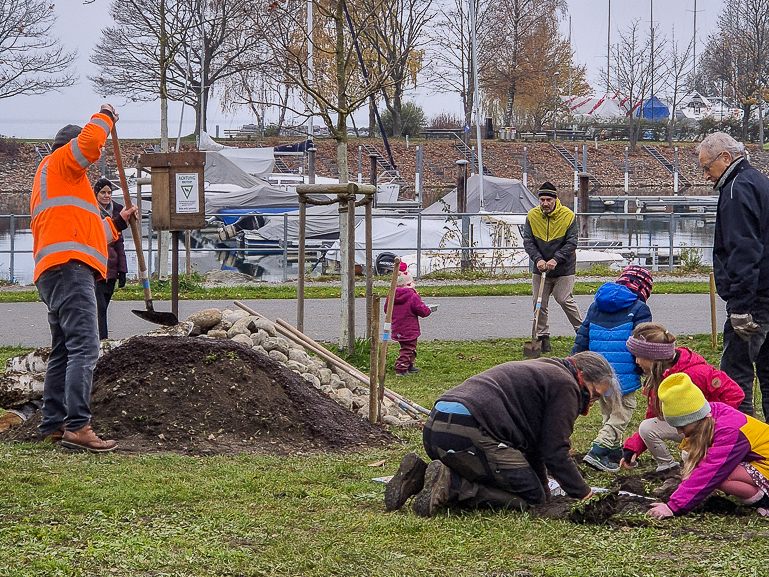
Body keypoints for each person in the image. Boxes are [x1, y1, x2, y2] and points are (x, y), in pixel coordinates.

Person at [384, 352, 619, 517]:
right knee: (531, 499)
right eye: (595, 395)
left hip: (436, 427)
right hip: (467, 432)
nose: (592, 402)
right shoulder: (566, 386)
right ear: (585, 377)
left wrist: (543, 487)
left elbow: (535, 447)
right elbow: (554, 451)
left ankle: (419, 475)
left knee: (535, 490)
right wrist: (584, 494)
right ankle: (453, 485)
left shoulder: (546, 369)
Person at [30, 104, 137, 453]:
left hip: (58, 270)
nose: (95, 158)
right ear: (69, 148)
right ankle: (78, 427)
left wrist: (117, 223)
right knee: (86, 346)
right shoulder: (61, 162)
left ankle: (53, 423)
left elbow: (87, 234)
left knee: (64, 347)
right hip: (70, 270)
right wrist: (105, 116)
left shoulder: (64, 183)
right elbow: (90, 143)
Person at [697, 132, 769, 419]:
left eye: (706, 167)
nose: (705, 176)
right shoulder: (760, 181)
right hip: (766, 291)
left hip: (753, 299)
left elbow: (743, 249)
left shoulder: (736, 189)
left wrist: (740, 306)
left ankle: (741, 439)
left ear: (726, 158)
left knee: (734, 377)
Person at [622, 322, 744, 473]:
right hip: (685, 427)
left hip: (707, 427)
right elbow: (655, 414)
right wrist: (634, 447)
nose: (637, 361)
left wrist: (712, 422)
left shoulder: (698, 372)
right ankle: (668, 467)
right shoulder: (659, 377)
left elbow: (735, 393)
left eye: (639, 356)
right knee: (647, 427)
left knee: (688, 457)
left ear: (654, 357)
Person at [647, 372, 769, 519]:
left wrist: (673, 506)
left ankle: (764, 501)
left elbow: (711, 471)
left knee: (723, 476)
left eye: (682, 427)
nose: (680, 432)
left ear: (694, 419)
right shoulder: (710, 413)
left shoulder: (730, 431)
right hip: (757, 462)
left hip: (765, 463)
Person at [573, 265, 654, 473]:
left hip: (598, 372)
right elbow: (644, 342)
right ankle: (599, 449)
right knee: (622, 411)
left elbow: (583, 335)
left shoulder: (596, 305)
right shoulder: (639, 309)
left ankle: (614, 451)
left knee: (609, 409)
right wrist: (646, 369)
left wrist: (575, 362)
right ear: (644, 289)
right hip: (623, 374)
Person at [522, 181, 582, 352]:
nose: (545, 203)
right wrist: (538, 259)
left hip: (564, 268)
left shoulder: (568, 216)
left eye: (549, 199)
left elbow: (572, 243)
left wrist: (556, 259)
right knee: (539, 302)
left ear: (555, 199)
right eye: (542, 200)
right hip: (540, 267)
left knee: (563, 298)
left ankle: (582, 332)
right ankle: (542, 337)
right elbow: (528, 242)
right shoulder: (532, 216)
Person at [93, 177, 129, 340]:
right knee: (98, 307)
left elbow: (120, 244)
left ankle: (97, 337)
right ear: (96, 194)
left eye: (109, 192)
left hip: (112, 267)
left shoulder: (118, 211)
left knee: (104, 304)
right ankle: (102, 338)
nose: (106, 196)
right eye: (103, 192)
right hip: (97, 267)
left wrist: (123, 270)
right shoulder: (91, 211)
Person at [385, 272, 433, 376]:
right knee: (408, 348)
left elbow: (386, 310)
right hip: (409, 328)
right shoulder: (412, 296)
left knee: (408, 347)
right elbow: (422, 311)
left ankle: (409, 364)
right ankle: (401, 368)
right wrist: (428, 310)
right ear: (409, 284)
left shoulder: (391, 295)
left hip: (397, 327)